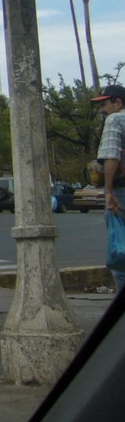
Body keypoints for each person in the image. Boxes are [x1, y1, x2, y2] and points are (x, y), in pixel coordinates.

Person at [93, 84, 125, 292]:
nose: (101, 110)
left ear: (118, 102)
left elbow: (111, 156)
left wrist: (108, 191)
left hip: (122, 191)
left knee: (120, 255)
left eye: (104, 104)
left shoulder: (115, 119)